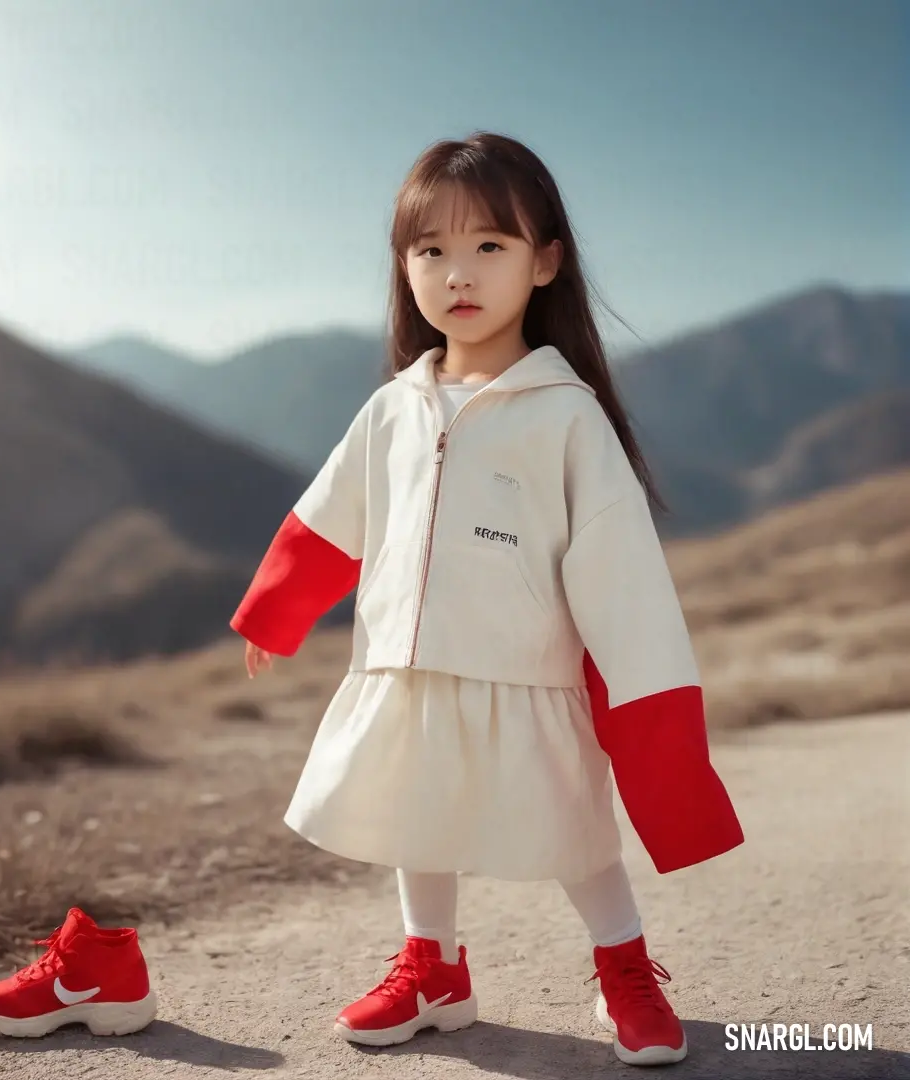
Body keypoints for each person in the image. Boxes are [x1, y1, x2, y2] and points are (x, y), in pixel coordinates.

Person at [230, 131, 744, 1067]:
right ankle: (433, 970)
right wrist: (277, 607)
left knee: (573, 832)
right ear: (405, 268)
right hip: (407, 666)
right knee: (410, 812)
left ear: (545, 261)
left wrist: (637, 677)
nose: (457, 274)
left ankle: (624, 969)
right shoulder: (394, 406)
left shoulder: (565, 413)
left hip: (525, 676)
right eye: (431, 251)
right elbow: (332, 514)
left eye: (489, 248)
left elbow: (616, 561)